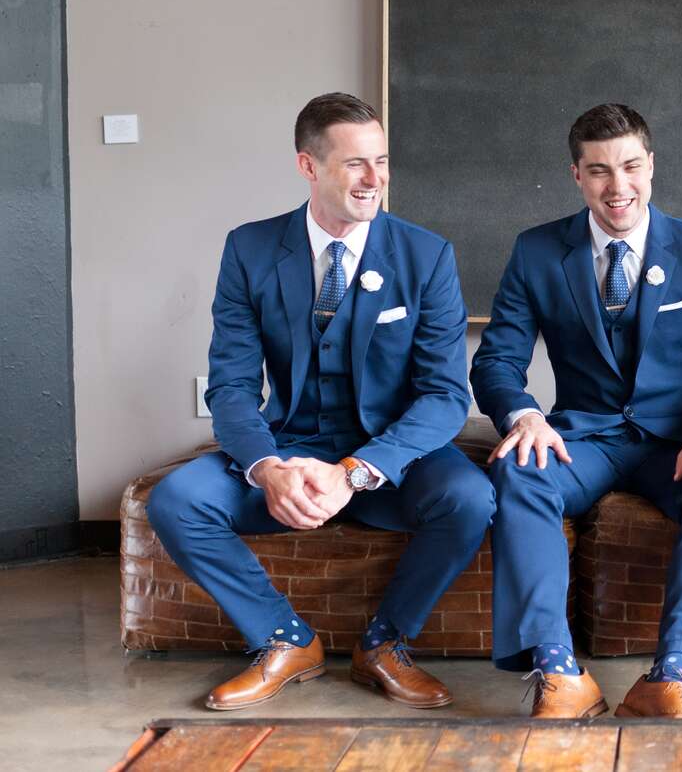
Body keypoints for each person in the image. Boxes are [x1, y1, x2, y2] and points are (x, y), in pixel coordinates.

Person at [147, 92, 492, 710]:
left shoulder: (426, 254)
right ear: (308, 166)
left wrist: (355, 471)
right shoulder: (250, 249)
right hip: (290, 448)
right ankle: (285, 640)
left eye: (381, 161)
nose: (374, 179)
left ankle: (384, 645)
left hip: (391, 458)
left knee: (470, 498)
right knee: (177, 499)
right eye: (355, 163)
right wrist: (268, 469)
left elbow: (444, 397)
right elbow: (230, 385)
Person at [472, 103, 682, 718]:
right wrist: (524, 416)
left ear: (651, 165)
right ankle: (557, 670)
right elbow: (496, 362)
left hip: (677, 443)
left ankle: (675, 673)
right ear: (577, 175)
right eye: (599, 171)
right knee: (517, 469)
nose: (617, 186)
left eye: (630, 166)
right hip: (582, 439)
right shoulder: (537, 251)